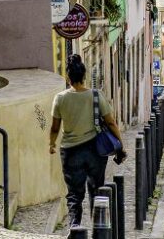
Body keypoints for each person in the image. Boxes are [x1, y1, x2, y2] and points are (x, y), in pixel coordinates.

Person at [49, 55, 126, 228]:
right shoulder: (96, 96)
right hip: (94, 151)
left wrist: (52, 144)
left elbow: (55, 127)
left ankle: (75, 227)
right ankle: (99, 228)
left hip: (70, 151)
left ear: (68, 78)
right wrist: (120, 145)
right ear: (84, 76)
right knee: (96, 189)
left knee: (74, 194)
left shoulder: (60, 98)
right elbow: (111, 122)